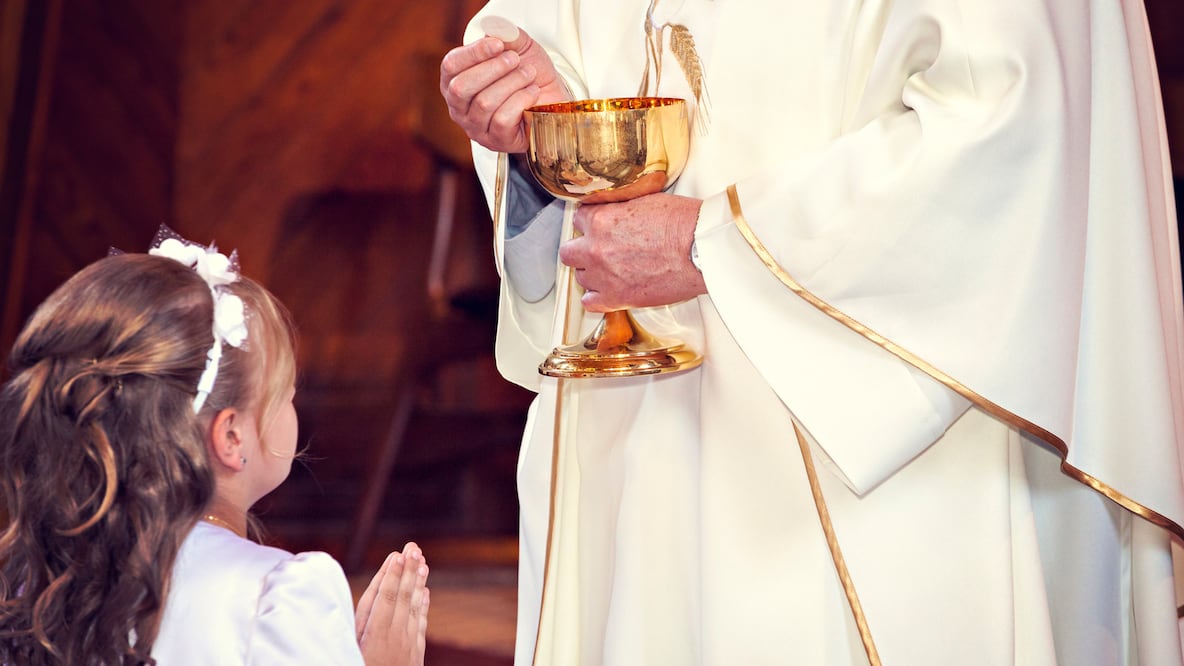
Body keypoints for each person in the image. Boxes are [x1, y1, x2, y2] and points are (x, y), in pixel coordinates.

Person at [440, 1, 1184, 664]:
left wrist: (716, 241)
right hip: (642, 443)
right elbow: (570, 38)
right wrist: (539, 120)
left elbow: (1012, 127)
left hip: (892, 440)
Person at [0, 228, 430, 665]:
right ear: (231, 436)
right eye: (286, 391)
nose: (294, 403)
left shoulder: (39, 578)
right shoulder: (278, 593)